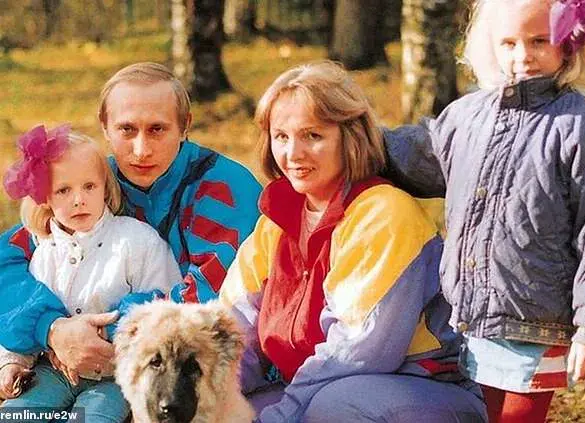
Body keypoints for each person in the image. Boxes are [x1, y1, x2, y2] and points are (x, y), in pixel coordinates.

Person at [218, 61, 488, 422]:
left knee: (334, 409)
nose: (293, 154)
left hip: (422, 387)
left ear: (350, 137)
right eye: (281, 136)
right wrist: (209, 397)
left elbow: (359, 350)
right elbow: (234, 330)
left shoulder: (384, 212)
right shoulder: (274, 223)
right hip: (313, 385)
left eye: (312, 136)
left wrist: (279, 417)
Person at [383, 0, 585, 421]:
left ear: (567, 44)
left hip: (539, 320)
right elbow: (421, 157)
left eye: (538, 41)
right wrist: (354, 138)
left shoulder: (575, 125)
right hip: (476, 314)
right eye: (509, 43)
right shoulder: (468, 115)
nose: (523, 55)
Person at [0, 63, 262, 379]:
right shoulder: (92, 186)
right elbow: (8, 258)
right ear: (105, 127)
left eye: (157, 129)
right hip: (84, 366)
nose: (141, 150)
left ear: (184, 126)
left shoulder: (224, 187)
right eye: (126, 129)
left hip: (213, 361)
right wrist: (52, 328)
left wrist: (100, 333)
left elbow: (214, 295)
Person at [0, 125, 182, 422]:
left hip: (113, 376)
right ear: (45, 198)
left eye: (89, 187)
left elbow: (164, 304)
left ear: (105, 188)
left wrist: (110, 335)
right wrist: (11, 363)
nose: (78, 200)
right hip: (53, 371)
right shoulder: (44, 251)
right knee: (17, 416)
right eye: (64, 190)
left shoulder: (136, 240)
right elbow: (26, 313)